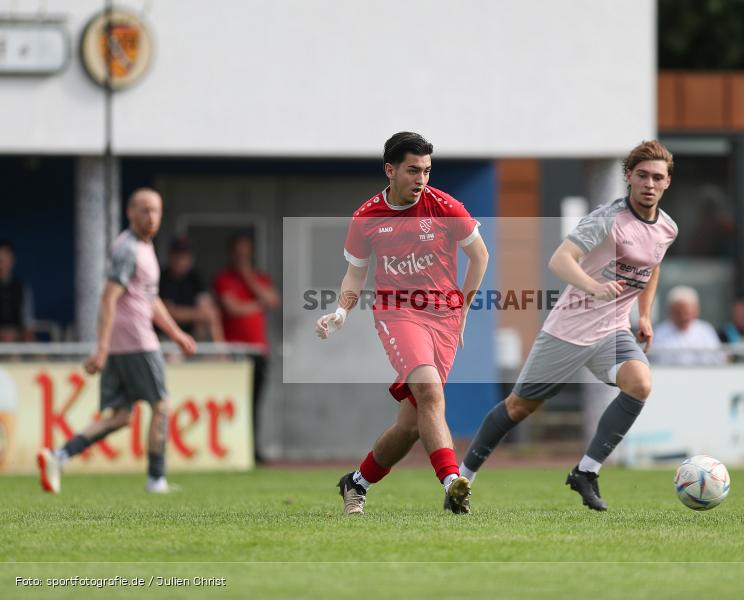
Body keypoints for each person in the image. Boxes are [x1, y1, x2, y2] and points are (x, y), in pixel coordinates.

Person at [458, 140, 677, 512]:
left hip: (611, 331)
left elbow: (652, 266)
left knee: (640, 383)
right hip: (567, 331)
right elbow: (559, 260)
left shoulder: (667, 228)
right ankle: (462, 478)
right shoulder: (607, 219)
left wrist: (644, 315)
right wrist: (595, 288)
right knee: (517, 408)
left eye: (657, 177)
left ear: (668, 182)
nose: (649, 184)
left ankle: (586, 472)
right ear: (628, 177)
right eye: (642, 176)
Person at [316, 131, 489, 515]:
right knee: (429, 391)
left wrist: (462, 310)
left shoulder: (444, 206)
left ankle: (356, 483)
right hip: (397, 313)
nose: (421, 180)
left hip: (442, 319)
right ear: (390, 171)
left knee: (411, 425)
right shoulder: (366, 218)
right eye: (413, 170)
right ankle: (452, 483)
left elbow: (480, 256)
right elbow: (355, 275)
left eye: (427, 170)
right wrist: (341, 311)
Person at [37, 188, 197, 494]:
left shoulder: (144, 247)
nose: (151, 217)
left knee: (122, 416)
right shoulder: (128, 249)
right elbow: (108, 299)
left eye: (156, 211)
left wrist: (176, 333)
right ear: (130, 212)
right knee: (161, 405)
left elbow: (148, 298)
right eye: (144, 210)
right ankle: (156, 479)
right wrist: (101, 347)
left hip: (125, 342)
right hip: (136, 340)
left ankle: (58, 456)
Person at [214, 234, 280, 463]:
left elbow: (271, 300)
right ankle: (231, 448)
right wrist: (255, 305)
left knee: (254, 403)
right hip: (234, 351)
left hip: (257, 351)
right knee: (234, 402)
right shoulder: (224, 278)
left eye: (245, 251)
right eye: (238, 251)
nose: (242, 256)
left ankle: (252, 449)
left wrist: (248, 277)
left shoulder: (258, 277)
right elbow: (232, 308)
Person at [159, 236, 224, 342]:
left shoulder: (195, 278)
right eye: (177, 255)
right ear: (171, 256)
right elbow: (168, 313)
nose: (180, 260)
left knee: (210, 316)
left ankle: (221, 353)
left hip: (191, 335)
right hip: (166, 336)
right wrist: (197, 314)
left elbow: (209, 311)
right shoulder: (162, 277)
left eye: (184, 256)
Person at [652, 286, 725, 365]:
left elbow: (718, 359)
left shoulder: (706, 331)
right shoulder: (660, 333)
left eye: (687, 312)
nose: (683, 317)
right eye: (679, 312)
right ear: (671, 311)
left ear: (696, 310)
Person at [0, 240, 36, 342]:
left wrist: (25, 335)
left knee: (39, 353)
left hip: (17, 336)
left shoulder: (21, 286)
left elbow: (28, 321)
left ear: (12, 260)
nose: (1, 262)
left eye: (5, 257)